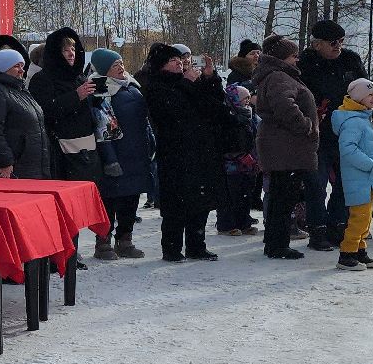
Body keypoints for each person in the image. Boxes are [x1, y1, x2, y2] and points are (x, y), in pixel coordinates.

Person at [139, 43, 233, 262]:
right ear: (161, 64)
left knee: (200, 201)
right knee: (176, 204)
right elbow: (171, 111)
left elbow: (214, 106)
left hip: (201, 151)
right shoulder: (156, 85)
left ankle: (196, 245)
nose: (179, 64)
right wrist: (187, 83)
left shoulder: (190, 82)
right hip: (175, 153)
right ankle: (171, 248)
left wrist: (210, 79)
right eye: (173, 60)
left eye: (180, 60)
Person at [298, 20, 368, 251]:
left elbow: (365, 88)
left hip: (347, 131)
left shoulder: (350, 60)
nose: (338, 46)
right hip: (317, 132)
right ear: (317, 44)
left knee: (345, 182)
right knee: (316, 184)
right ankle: (317, 229)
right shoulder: (306, 63)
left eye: (341, 41)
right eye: (332, 42)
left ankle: (338, 225)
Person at [249, 36, 317, 261]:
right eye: (293, 56)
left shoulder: (275, 75)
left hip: (282, 146)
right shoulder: (279, 76)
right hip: (285, 147)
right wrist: (306, 125)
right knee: (283, 199)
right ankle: (278, 245)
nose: (297, 60)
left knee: (280, 197)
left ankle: (275, 243)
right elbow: (285, 106)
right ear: (282, 58)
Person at [89, 48, 152, 260]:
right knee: (110, 200)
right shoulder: (100, 91)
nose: (121, 68)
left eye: (121, 63)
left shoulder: (132, 87)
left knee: (131, 199)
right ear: (104, 69)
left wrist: (150, 144)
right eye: (115, 65)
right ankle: (103, 242)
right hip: (116, 154)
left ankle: (125, 239)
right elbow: (102, 127)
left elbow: (144, 121)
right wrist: (110, 159)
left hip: (137, 153)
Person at [27, 26, 101, 185]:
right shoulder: (42, 79)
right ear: (55, 53)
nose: (71, 53)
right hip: (62, 150)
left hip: (87, 147)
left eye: (73, 49)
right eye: (65, 50)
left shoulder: (79, 77)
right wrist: (76, 96)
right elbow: (44, 111)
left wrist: (97, 98)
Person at [332, 78, 373, 270]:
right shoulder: (353, 121)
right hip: (359, 179)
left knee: (366, 217)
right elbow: (347, 149)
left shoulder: (364, 118)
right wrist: (370, 164)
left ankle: (359, 250)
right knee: (359, 218)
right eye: (369, 94)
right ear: (358, 97)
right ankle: (347, 254)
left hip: (367, 179)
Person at [0, 46, 48, 179]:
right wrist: (5, 161)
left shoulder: (22, 90)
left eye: (22, 66)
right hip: (14, 168)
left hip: (32, 165)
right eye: (16, 66)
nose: (21, 70)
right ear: (3, 68)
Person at [217, 85, 261, 237]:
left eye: (248, 98)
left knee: (245, 195)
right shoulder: (227, 117)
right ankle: (227, 224)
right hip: (231, 164)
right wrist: (239, 155)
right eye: (244, 98)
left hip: (249, 163)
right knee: (231, 196)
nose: (247, 101)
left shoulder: (251, 116)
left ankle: (244, 223)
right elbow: (225, 142)